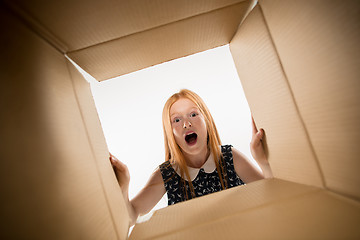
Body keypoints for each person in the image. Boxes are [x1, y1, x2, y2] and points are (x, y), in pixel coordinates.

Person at [110, 89, 272, 226]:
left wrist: (263, 162)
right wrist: (124, 187)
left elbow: (272, 193)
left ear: (207, 120)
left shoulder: (230, 157)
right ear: (170, 132)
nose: (186, 123)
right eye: (177, 119)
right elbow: (131, 217)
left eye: (193, 114)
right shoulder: (167, 174)